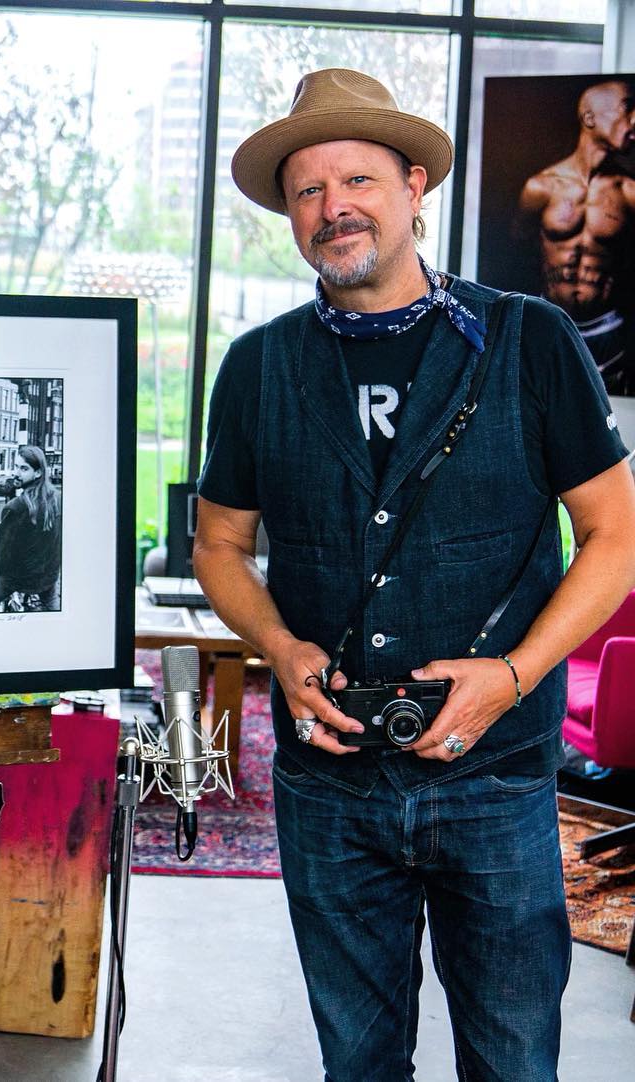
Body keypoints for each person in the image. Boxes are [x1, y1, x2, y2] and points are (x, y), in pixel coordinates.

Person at [204, 68, 635, 1080]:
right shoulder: (258, 367)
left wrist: (514, 676)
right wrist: (278, 644)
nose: (334, 206)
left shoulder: (531, 340)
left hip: (496, 780)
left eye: (357, 179)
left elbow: (615, 535)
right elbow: (219, 545)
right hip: (327, 784)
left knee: (513, 1060)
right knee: (357, 1064)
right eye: (308, 190)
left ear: (412, 186)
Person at [516, 78, 635, 397]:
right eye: (627, 108)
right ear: (590, 117)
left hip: (607, 331)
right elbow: (515, 254)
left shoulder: (628, 192)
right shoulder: (540, 187)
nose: (634, 119)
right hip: (548, 323)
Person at [0, 445, 61, 613]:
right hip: (48, 575)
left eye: (24, 469)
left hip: (19, 578)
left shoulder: (16, 507)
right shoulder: (57, 499)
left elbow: (3, 549)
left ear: (38, 473)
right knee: (52, 602)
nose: (16, 473)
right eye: (16, 466)